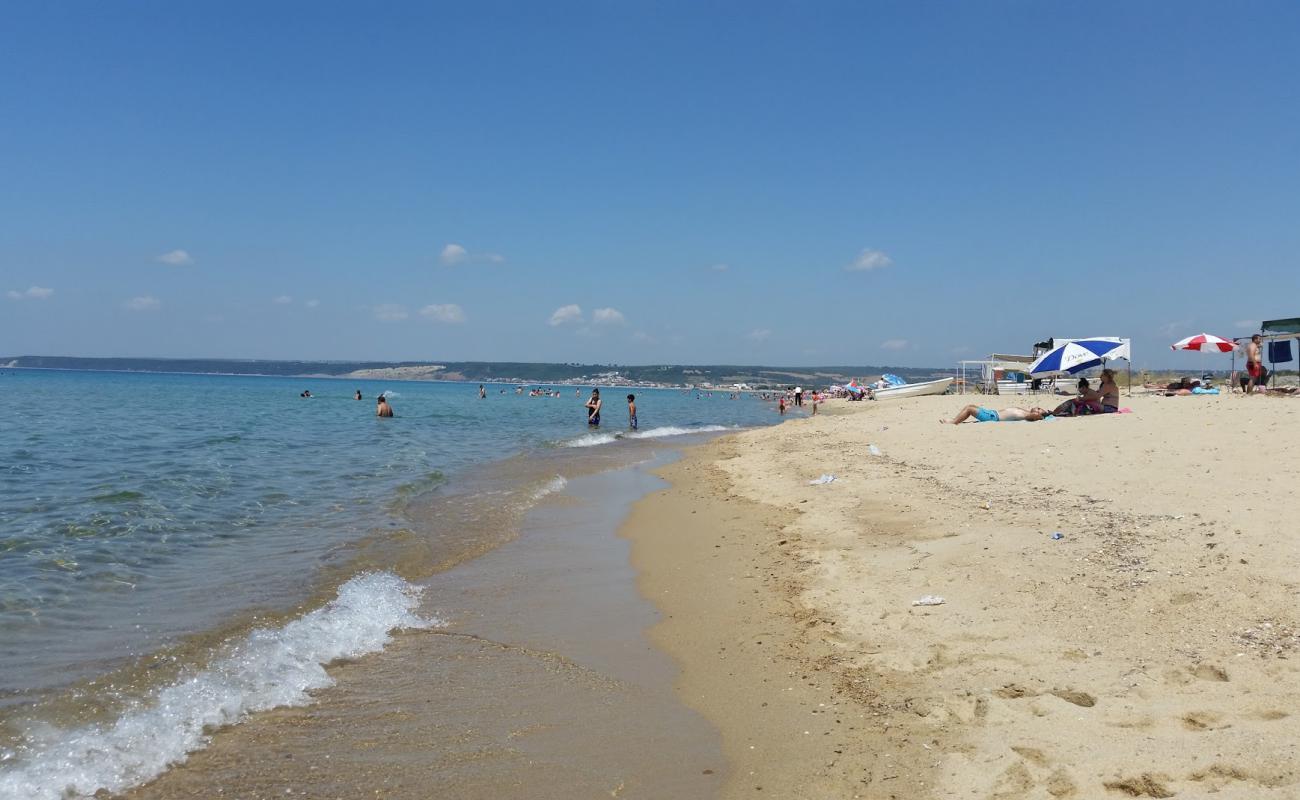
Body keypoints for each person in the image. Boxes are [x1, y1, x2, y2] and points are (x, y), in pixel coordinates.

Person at [943, 405, 1051, 424]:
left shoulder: (1029, 415)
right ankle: (956, 419)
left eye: (1039, 409)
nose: (1037, 408)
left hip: (993, 417)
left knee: (969, 409)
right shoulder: (1026, 412)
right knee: (970, 406)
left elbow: (1037, 417)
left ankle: (953, 422)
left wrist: (1042, 415)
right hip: (992, 413)